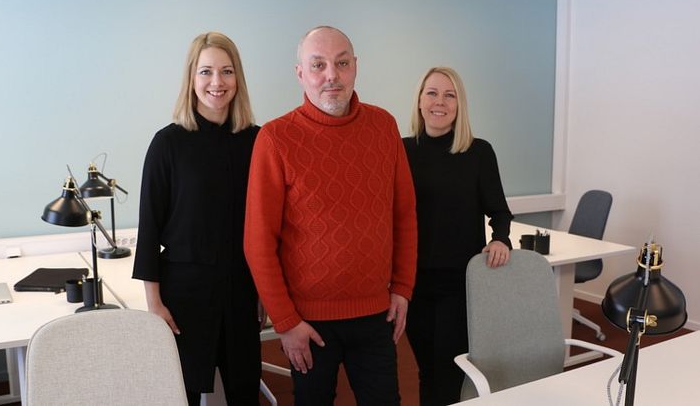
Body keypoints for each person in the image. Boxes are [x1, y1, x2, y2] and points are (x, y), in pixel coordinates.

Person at [244, 26, 417, 405]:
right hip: (307, 324)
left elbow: (404, 215)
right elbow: (258, 243)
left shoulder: (384, 127)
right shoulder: (275, 138)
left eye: (341, 63)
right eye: (318, 65)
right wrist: (286, 324)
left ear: (355, 67)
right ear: (300, 73)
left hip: (376, 314)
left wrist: (403, 287)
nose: (331, 75)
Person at [132, 32, 262, 406]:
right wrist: (154, 304)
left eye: (226, 71)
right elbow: (149, 229)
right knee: (181, 394)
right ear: (191, 78)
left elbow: (268, 226)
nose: (216, 83)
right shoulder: (167, 144)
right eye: (206, 72)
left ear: (238, 78)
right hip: (183, 296)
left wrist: (266, 290)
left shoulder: (258, 141)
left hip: (241, 291)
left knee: (243, 392)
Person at [402, 67, 513, 405]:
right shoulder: (400, 150)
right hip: (414, 283)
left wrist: (500, 239)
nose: (440, 102)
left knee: (450, 369)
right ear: (420, 101)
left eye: (449, 95)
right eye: (432, 93)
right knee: (425, 370)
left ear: (459, 104)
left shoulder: (479, 152)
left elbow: (499, 210)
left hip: (460, 282)